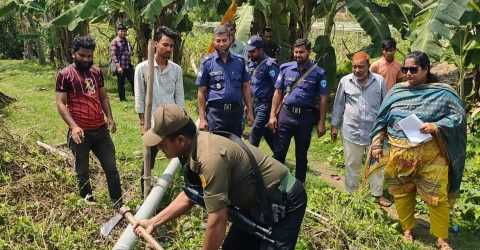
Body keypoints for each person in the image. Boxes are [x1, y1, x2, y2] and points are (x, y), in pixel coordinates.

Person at [134, 104, 307, 250]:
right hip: (255, 204)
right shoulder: (192, 150)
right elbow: (190, 195)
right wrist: (153, 221)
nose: (159, 147)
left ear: (180, 140)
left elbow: (217, 220)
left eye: (162, 144)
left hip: (284, 200)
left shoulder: (209, 158)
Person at [369, 51, 466, 250]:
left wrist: (437, 126)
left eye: (413, 69)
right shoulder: (397, 92)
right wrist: (377, 144)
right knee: (402, 195)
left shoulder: (443, 93)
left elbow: (457, 118)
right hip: (399, 157)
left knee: (437, 198)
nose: (408, 73)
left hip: (432, 158)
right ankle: (407, 228)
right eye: (405, 69)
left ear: (425, 69)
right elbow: (381, 120)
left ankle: (441, 238)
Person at [55, 36, 122, 208]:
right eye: (82, 56)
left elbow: (103, 97)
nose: (86, 59)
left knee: (111, 168)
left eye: (89, 56)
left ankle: (118, 202)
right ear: (73, 54)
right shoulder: (65, 75)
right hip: (80, 134)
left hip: (100, 130)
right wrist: (74, 126)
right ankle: (88, 203)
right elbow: (61, 103)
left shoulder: (96, 72)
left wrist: (110, 117)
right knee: (82, 171)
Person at [331, 51, 391, 206]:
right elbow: (338, 105)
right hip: (352, 131)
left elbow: (386, 106)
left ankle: (377, 195)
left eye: (361, 67)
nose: (357, 70)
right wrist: (334, 126)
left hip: (375, 133)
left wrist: (386, 129)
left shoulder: (379, 82)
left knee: (377, 165)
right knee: (352, 164)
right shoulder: (345, 81)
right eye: (354, 67)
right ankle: (351, 194)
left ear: (368, 66)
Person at [267, 38, 328, 183]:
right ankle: (275, 182)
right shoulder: (285, 68)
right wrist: (272, 116)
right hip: (286, 115)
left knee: (301, 154)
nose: (298, 55)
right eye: (296, 52)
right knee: (279, 151)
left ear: (309, 52)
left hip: (305, 118)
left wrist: (321, 122)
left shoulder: (319, 72)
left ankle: (299, 186)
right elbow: (278, 93)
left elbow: (323, 99)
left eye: (301, 52)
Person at [134, 26, 184, 194]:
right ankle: (145, 194)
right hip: (153, 124)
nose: (169, 49)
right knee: (149, 159)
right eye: (165, 44)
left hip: (172, 123)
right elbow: (140, 98)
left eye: (171, 46)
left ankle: (185, 190)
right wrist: (143, 123)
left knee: (182, 158)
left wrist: (181, 121)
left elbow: (180, 99)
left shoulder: (176, 70)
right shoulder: (142, 68)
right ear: (155, 44)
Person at [196, 25, 254, 137]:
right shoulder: (207, 63)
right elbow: (201, 91)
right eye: (218, 41)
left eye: (224, 40)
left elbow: (246, 87)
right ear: (213, 42)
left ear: (230, 40)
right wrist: (202, 119)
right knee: (216, 149)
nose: (221, 44)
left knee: (235, 148)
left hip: (236, 114)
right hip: (215, 114)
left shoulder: (240, 61)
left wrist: (250, 112)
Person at [246, 35, 279, 152]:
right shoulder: (251, 64)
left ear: (260, 49)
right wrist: (248, 105)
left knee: (255, 133)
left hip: (265, 105)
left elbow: (279, 88)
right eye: (249, 51)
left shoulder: (270, 65)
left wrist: (274, 113)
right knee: (267, 133)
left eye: (253, 51)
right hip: (255, 104)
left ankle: (249, 161)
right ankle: (279, 155)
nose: (250, 54)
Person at [110, 23, 134, 101]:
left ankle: (137, 97)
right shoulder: (115, 41)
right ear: (118, 31)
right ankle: (122, 99)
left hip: (127, 65)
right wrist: (118, 67)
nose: (123, 33)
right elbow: (113, 55)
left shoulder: (127, 41)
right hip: (120, 66)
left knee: (134, 81)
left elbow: (130, 52)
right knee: (121, 83)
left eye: (124, 31)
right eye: (121, 31)